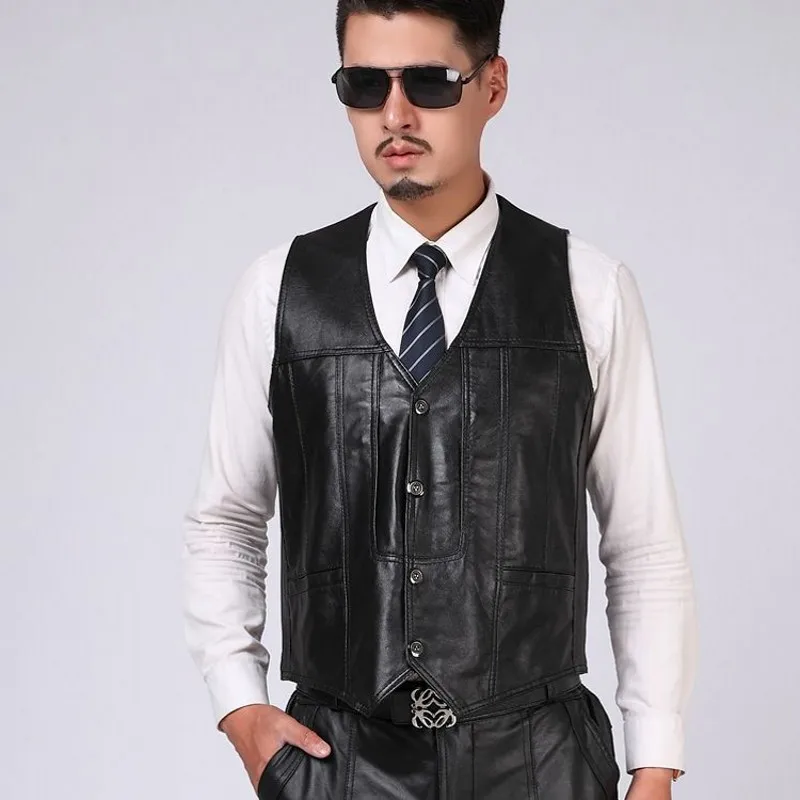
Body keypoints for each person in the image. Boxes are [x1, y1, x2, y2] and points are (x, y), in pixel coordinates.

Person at [182, 1, 697, 798]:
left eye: (427, 82)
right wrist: (240, 707)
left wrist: (655, 765)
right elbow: (227, 519)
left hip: (539, 763)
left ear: (492, 86)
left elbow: (643, 542)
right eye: (365, 85)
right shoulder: (279, 293)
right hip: (339, 762)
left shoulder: (588, 290)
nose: (395, 115)